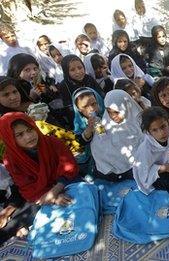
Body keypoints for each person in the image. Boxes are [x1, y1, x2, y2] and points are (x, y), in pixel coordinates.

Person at [0, 112, 78, 242]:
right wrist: (52, 198)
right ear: (10, 138)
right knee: (24, 214)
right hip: (39, 194)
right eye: (20, 135)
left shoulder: (53, 142)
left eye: (30, 130)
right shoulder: (11, 159)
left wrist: (54, 192)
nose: (28, 137)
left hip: (65, 183)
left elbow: (70, 167)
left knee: (76, 200)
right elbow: (26, 187)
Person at [133, 106, 169, 196]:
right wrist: (162, 168)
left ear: (168, 122)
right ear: (148, 132)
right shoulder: (145, 150)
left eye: (163, 127)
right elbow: (144, 175)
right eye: (154, 130)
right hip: (157, 174)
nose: (161, 133)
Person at [90, 90, 144, 181]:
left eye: (116, 112)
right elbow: (98, 148)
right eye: (109, 112)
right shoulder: (105, 125)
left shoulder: (140, 123)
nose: (113, 116)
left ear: (126, 106)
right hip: (115, 175)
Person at [57, 54, 105, 128]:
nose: (78, 72)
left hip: (98, 114)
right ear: (66, 71)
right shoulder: (64, 86)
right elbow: (69, 110)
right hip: (81, 121)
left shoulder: (88, 78)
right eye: (72, 70)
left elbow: (100, 96)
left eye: (80, 67)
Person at [0, 164, 39, 244]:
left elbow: (18, 192)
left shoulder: (2, 170)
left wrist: (6, 212)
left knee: (34, 206)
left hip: (16, 202)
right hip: (8, 212)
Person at [71, 87, 105, 177]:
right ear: (78, 109)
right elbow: (81, 142)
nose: (91, 109)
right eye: (85, 106)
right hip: (94, 156)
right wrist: (89, 129)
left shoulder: (106, 115)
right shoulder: (80, 122)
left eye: (94, 104)